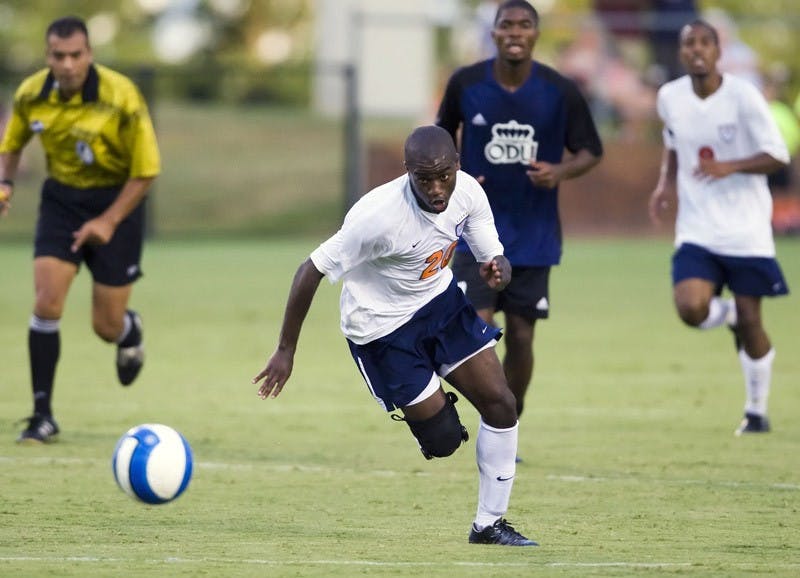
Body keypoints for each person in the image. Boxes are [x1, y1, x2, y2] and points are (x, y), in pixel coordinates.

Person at [252, 125, 537, 546]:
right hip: (381, 329)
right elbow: (309, 270)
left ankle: (489, 525)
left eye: (445, 175)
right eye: (425, 178)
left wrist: (497, 270)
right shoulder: (376, 217)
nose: (437, 188)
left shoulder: (470, 194)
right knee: (442, 442)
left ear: (458, 166)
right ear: (407, 172)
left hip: (439, 304)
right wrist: (285, 351)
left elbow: (493, 256)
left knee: (501, 403)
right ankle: (430, 406)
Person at [435, 0, 603, 436]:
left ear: (536, 34)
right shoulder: (467, 83)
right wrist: (457, 172)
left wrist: (560, 171)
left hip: (534, 236)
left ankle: (507, 422)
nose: (514, 32)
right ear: (493, 33)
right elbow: (439, 138)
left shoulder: (559, 90)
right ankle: (485, 413)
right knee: (477, 330)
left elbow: (591, 150)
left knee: (523, 337)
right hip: (473, 231)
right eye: (505, 25)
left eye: (524, 25)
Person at [0, 16, 160, 443]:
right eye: (58, 56)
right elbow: (11, 143)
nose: (68, 64)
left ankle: (130, 330)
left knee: (105, 327)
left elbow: (146, 171)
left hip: (117, 202)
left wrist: (107, 222)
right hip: (62, 203)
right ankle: (42, 416)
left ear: (89, 54)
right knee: (47, 301)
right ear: (48, 56)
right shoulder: (31, 94)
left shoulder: (122, 96)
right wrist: (5, 183)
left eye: (76, 55)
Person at [648, 20, 790, 436]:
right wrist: (663, 184)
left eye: (704, 43)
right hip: (697, 227)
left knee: (752, 318)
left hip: (746, 228)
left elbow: (778, 154)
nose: (696, 50)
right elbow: (673, 142)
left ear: (717, 52)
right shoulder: (669, 97)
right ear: (681, 51)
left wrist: (731, 166)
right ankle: (724, 315)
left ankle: (757, 410)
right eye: (689, 43)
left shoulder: (743, 96)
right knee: (691, 308)